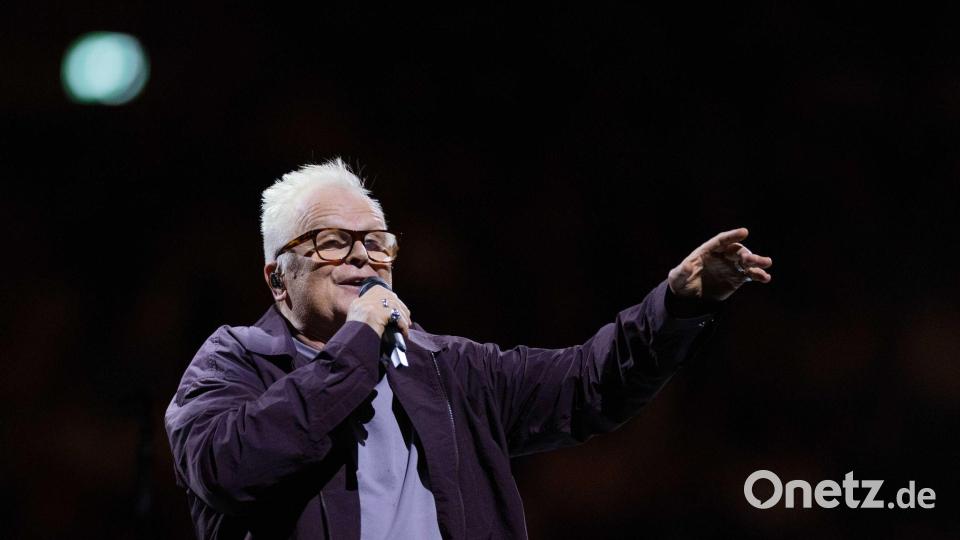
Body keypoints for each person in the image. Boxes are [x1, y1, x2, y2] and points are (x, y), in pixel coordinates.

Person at [165, 158, 773, 539]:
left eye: (377, 243)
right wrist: (355, 346)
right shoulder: (232, 363)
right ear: (277, 278)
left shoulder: (447, 370)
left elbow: (591, 384)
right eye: (331, 241)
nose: (361, 255)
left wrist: (679, 303)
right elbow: (230, 469)